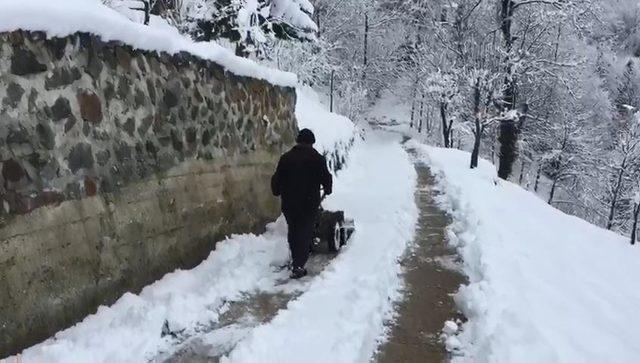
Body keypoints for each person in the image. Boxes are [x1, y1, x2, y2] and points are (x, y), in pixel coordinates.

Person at [271, 128, 333, 279]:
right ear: (312, 142)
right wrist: (328, 189)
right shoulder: (318, 159)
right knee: (305, 231)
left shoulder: (286, 158)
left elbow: (276, 180)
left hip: (290, 203)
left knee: (294, 230)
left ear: (298, 141)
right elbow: (326, 178)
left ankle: (296, 259)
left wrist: (277, 191)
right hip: (309, 203)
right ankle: (299, 264)